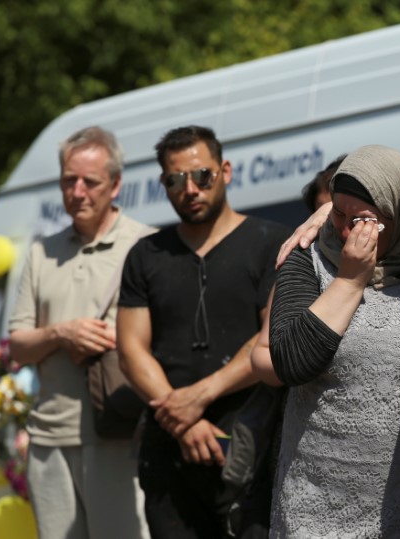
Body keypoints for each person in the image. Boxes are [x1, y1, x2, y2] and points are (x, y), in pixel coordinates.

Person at [116, 125, 291, 538]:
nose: (189, 189)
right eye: (175, 180)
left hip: (253, 445)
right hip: (169, 454)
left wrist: (201, 395)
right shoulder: (146, 254)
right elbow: (130, 351)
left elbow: (272, 336)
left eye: (202, 176)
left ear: (225, 171)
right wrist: (182, 421)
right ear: (164, 184)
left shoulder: (272, 242)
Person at [255, 145, 400, 537]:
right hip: (315, 504)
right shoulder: (308, 258)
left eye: (364, 220)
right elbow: (291, 361)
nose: (344, 230)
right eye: (337, 212)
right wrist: (350, 280)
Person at [9, 126, 150, 539]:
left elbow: (158, 340)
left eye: (90, 181)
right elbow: (18, 346)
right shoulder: (41, 252)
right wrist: (61, 334)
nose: (78, 191)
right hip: (48, 437)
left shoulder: (146, 245)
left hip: (118, 434)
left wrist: (100, 336)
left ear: (116, 184)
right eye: (69, 180)